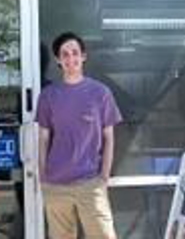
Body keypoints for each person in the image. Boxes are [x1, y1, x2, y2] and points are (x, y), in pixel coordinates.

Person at [37, 32, 122, 239]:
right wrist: (43, 176)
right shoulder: (49, 95)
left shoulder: (100, 93)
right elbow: (44, 138)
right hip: (56, 185)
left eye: (75, 53)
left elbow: (109, 137)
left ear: (84, 56)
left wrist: (104, 176)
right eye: (64, 54)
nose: (70, 58)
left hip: (90, 182)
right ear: (58, 60)